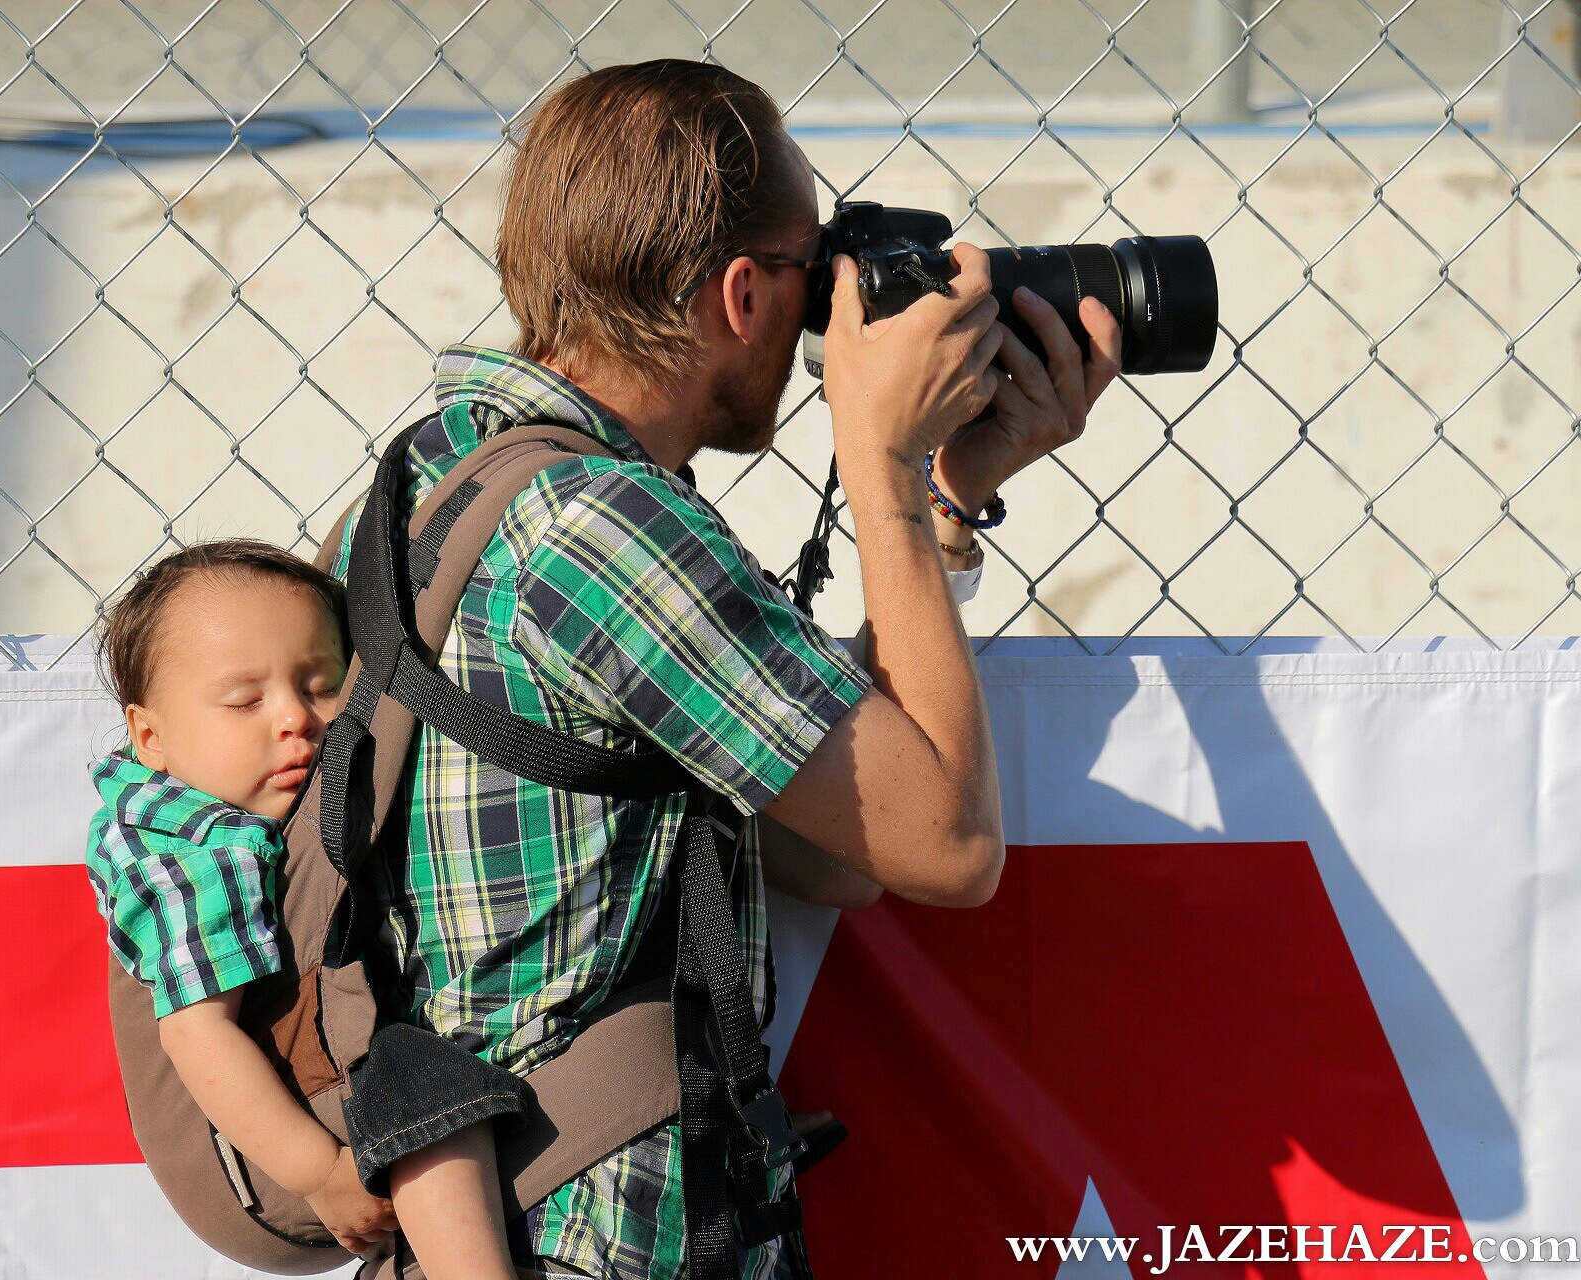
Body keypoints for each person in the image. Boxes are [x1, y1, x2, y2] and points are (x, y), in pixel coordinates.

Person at [327, 60, 1123, 1278]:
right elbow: (947, 846)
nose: (836, 314)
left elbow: (837, 843)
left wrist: (940, 497)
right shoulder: (609, 533)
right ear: (744, 294)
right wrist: (878, 465)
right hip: (601, 1239)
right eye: (819, 271)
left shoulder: (435, 472)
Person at [84, 539, 524, 1280]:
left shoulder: (212, 801)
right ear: (150, 736)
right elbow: (201, 1039)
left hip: (289, 1108)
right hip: (261, 1166)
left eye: (321, 685)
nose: (294, 718)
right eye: (245, 701)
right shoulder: (195, 857)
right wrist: (318, 1173)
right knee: (423, 1083)